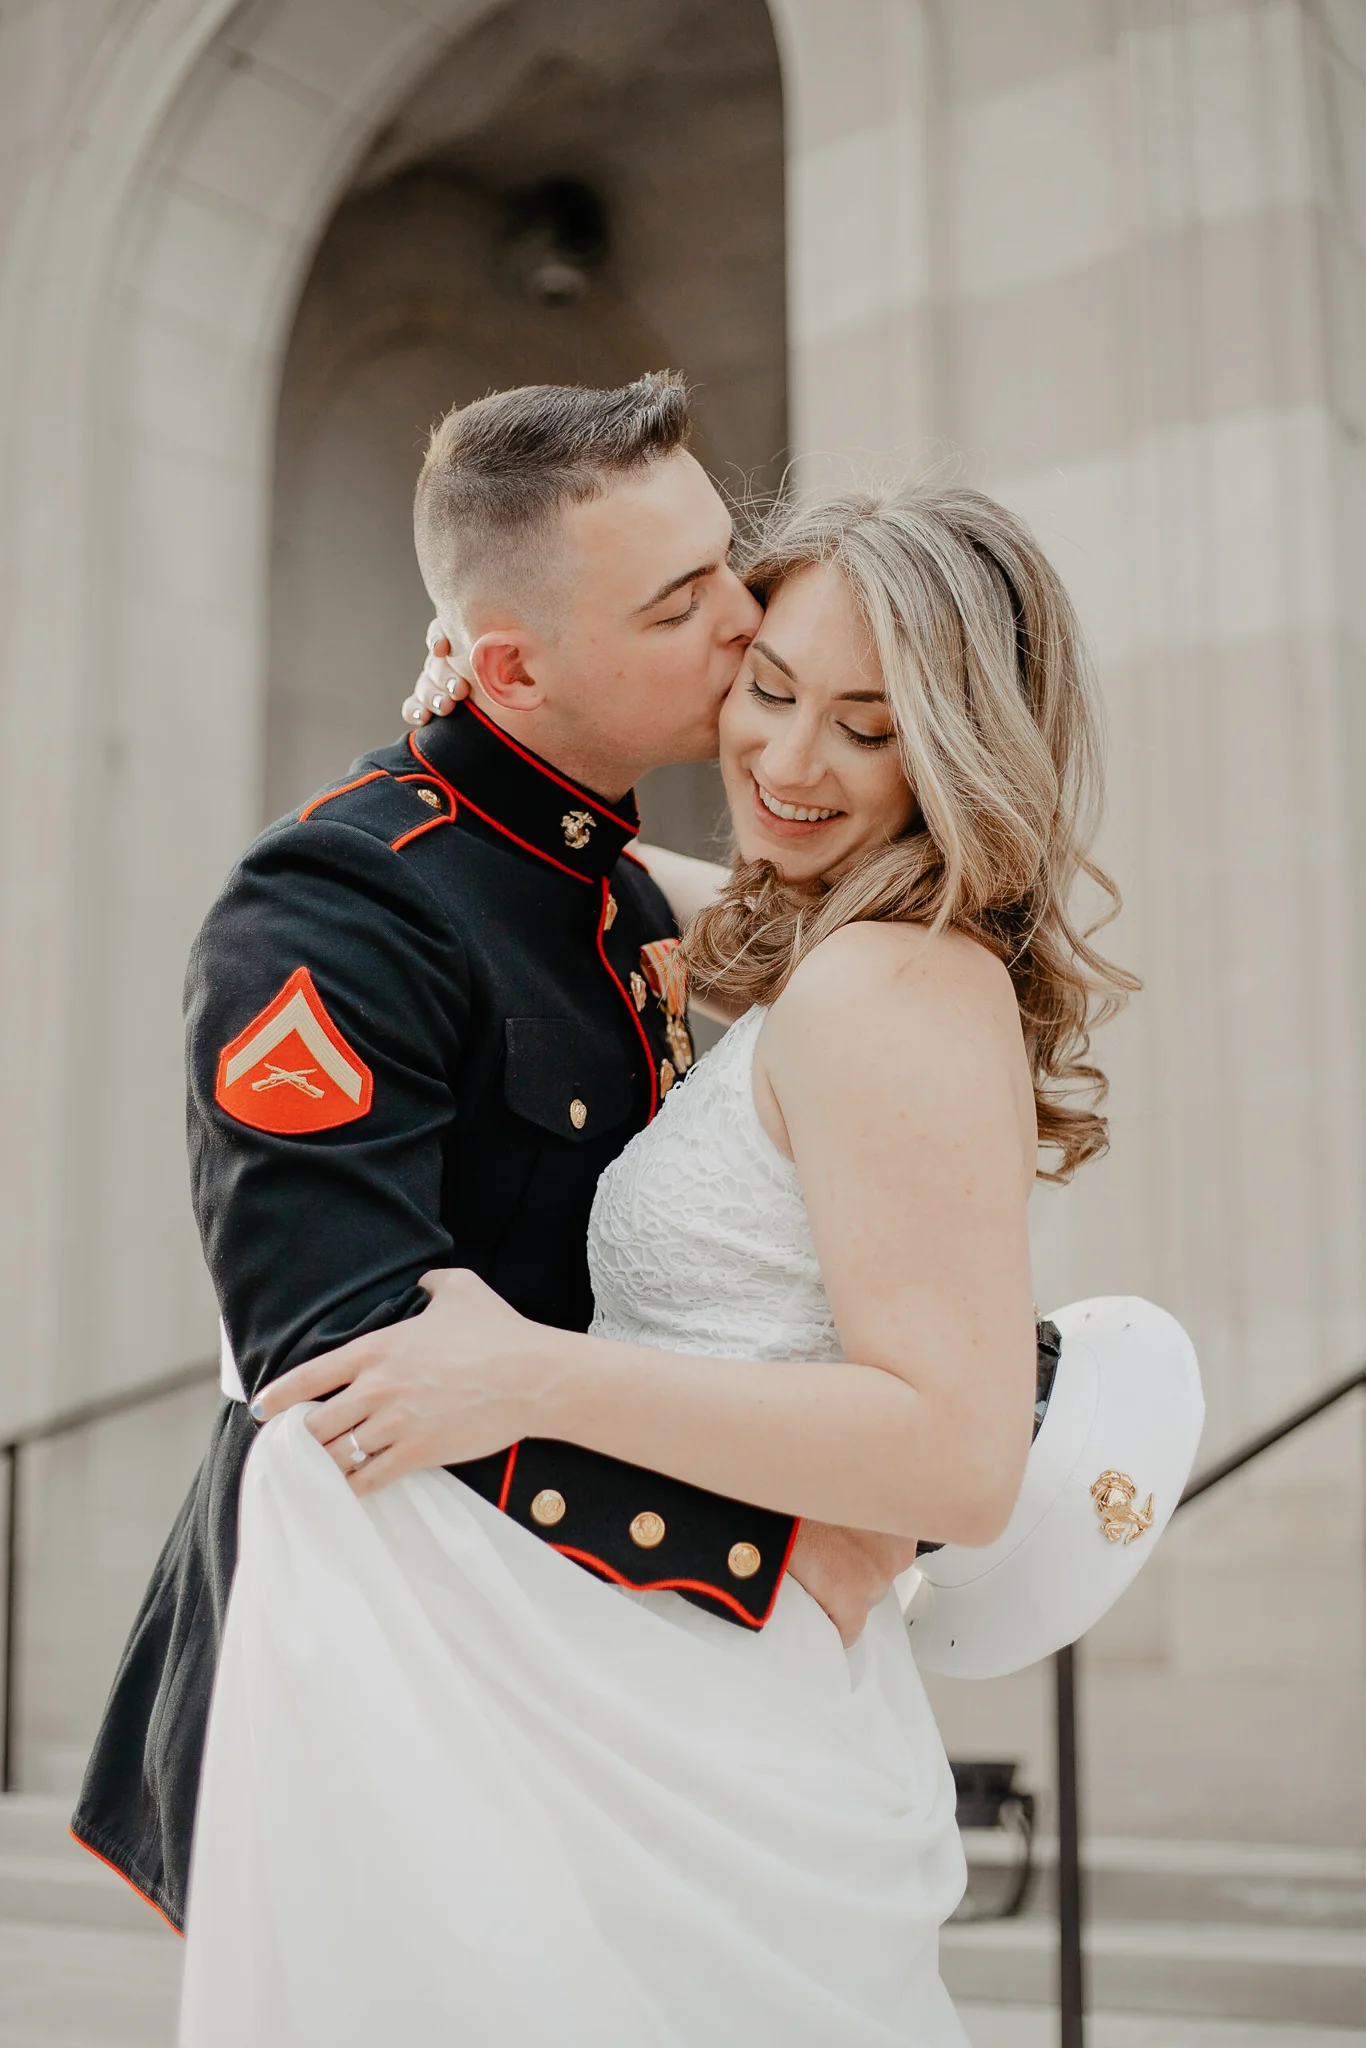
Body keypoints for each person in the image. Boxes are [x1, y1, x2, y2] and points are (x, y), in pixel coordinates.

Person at [177, 462, 1134, 2043]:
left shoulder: (891, 985)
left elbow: (957, 1463)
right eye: (763, 682)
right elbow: (553, 886)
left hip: (709, 1687)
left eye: (869, 725)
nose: (787, 755)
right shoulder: (797, 932)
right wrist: (484, 696)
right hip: (637, 1663)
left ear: (960, 748)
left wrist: (535, 1370)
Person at [71, 373, 926, 1933]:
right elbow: (347, 1369)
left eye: (727, 562)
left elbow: (809, 956)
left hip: (596, 1675)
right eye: (681, 607)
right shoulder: (337, 910)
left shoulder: (586, 861)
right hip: (397, 1693)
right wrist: (774, 1535)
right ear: (514, 664)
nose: (743, 621)